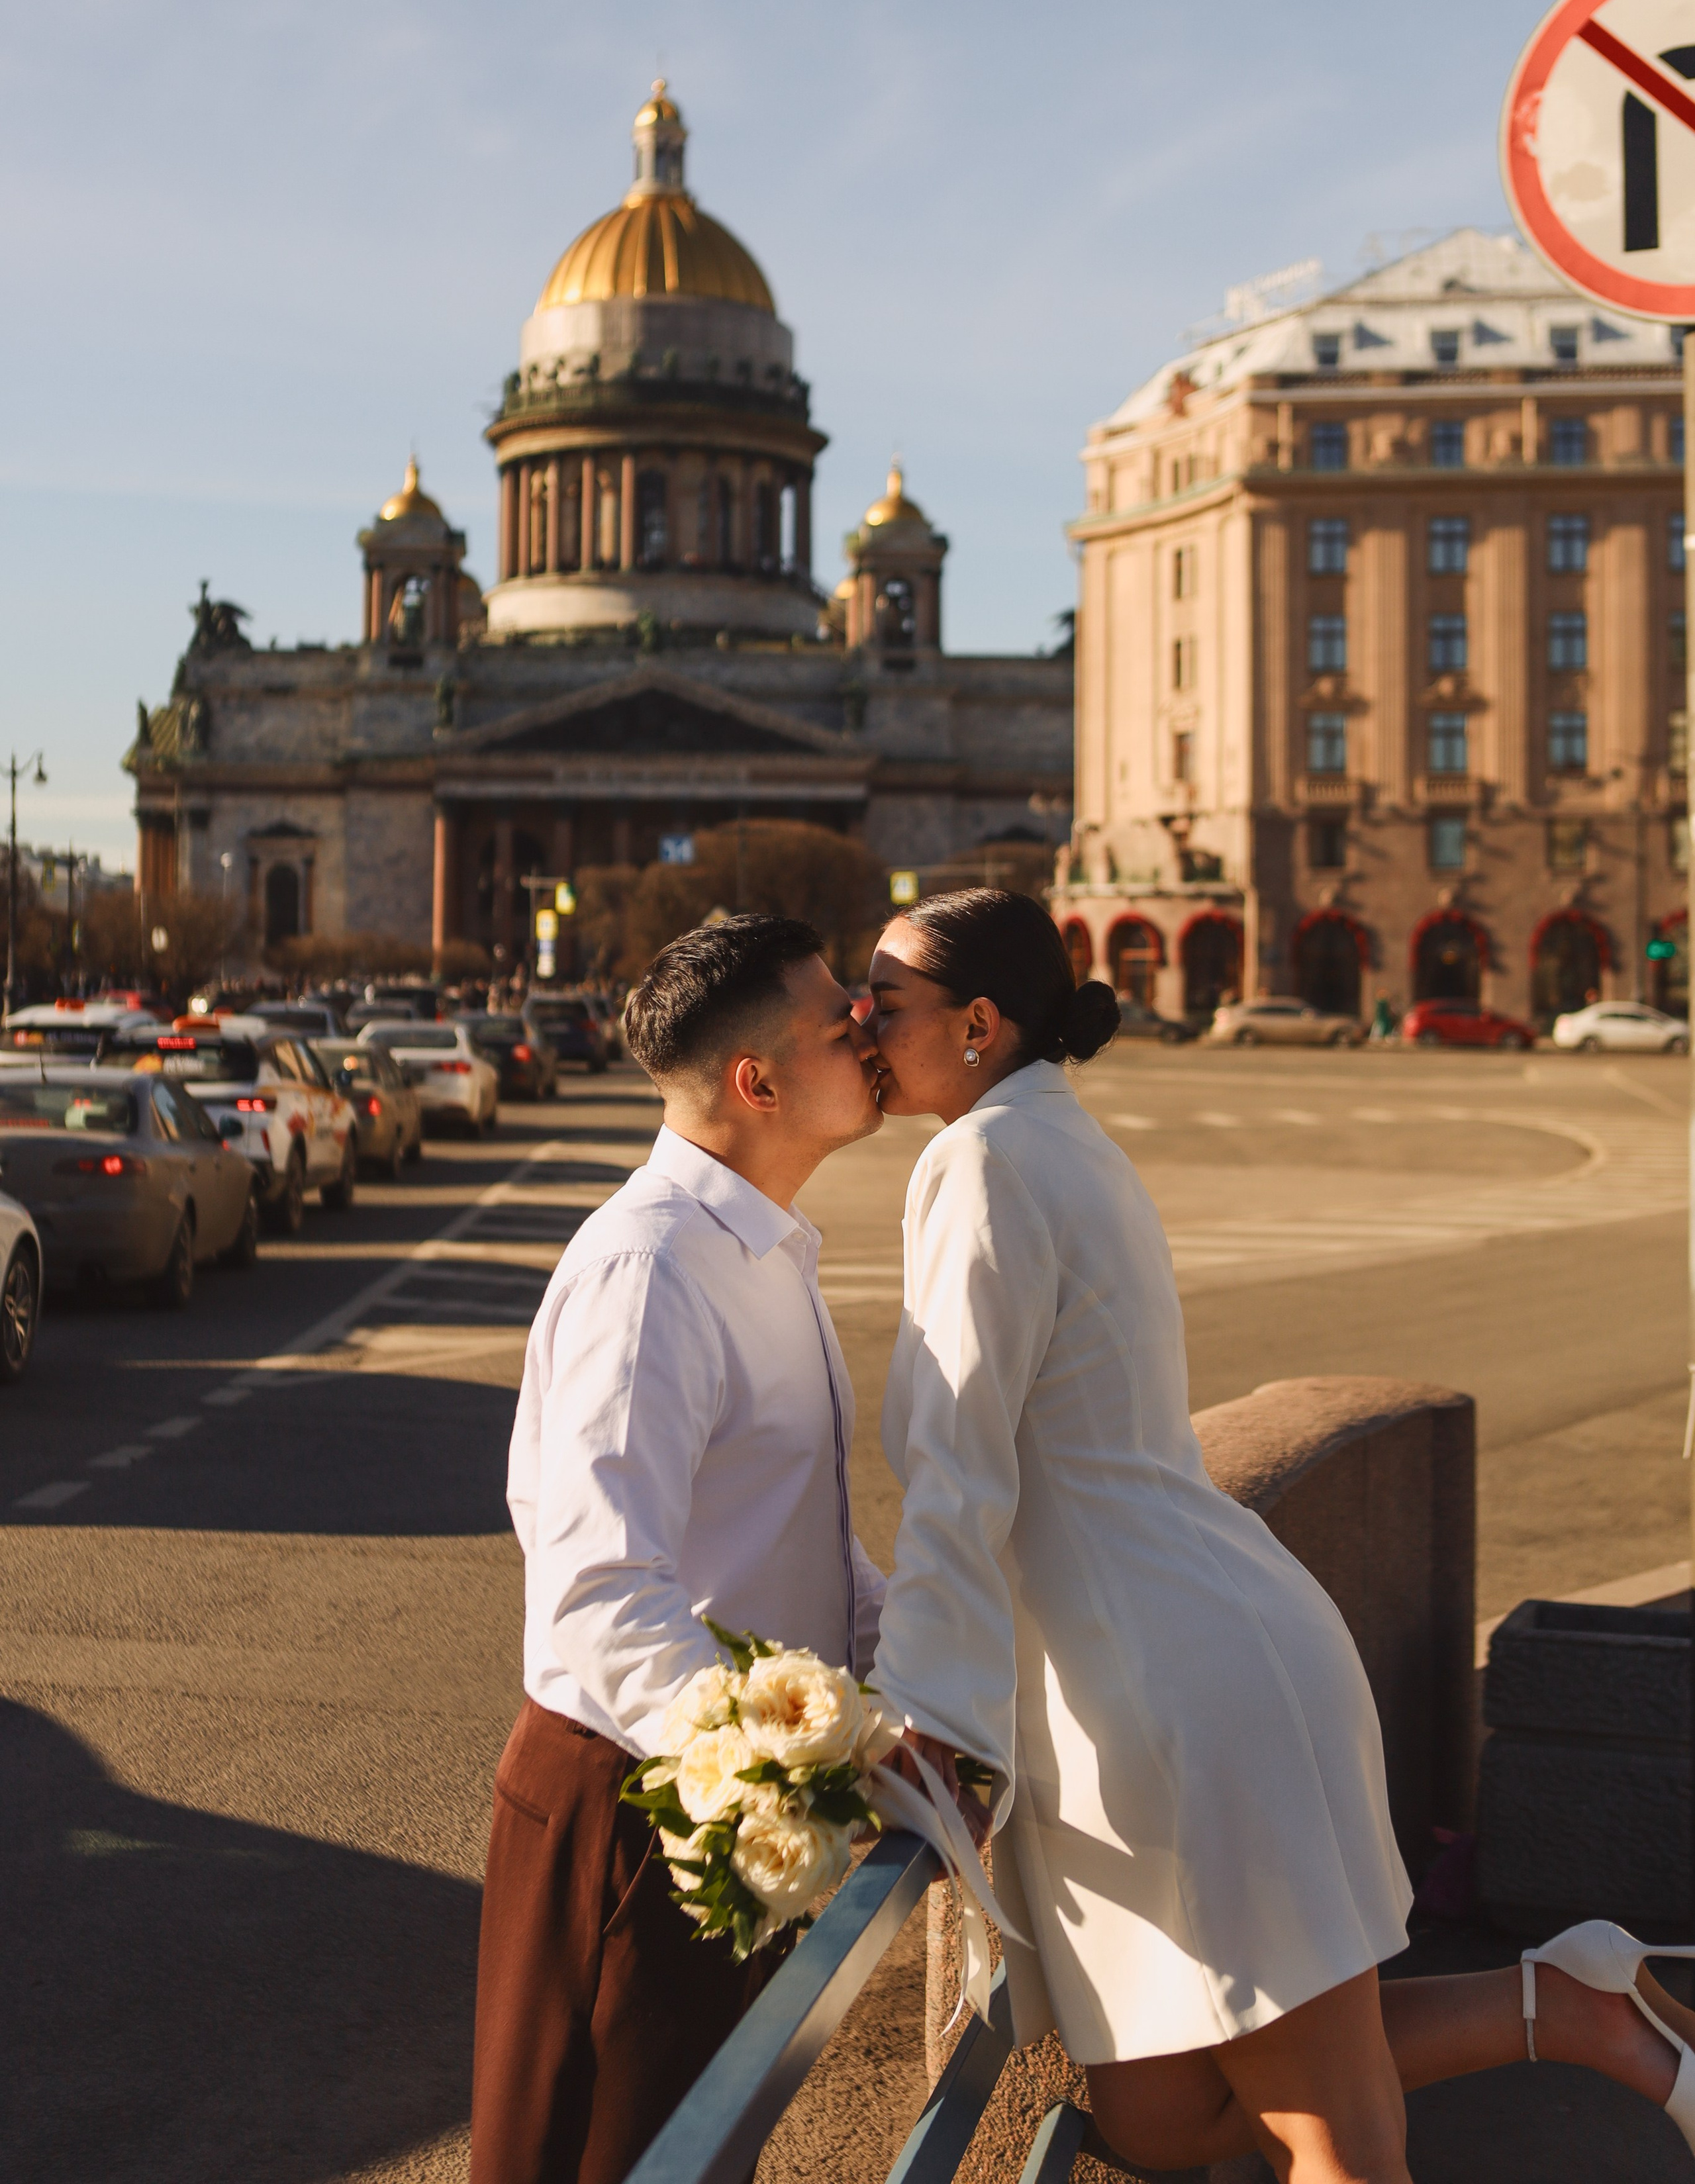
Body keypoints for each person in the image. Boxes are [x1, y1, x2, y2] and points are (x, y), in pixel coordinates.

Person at [866, 889, 1695, 2184]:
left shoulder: (981, 1164)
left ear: (976, 1023)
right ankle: (1569, 2006)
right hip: (1187, 1659)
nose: (859, 1020)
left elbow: (955, 1466)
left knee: (1332, 2140)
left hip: (1173, 1702)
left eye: (884, 998)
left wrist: (918, 1715)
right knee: (1158, 2120)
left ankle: (1584, 2018)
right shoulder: (1046, 1136)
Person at [471, 915, 886, 2184]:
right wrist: (804, 1761)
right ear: (757, 1082)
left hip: (718, 1794)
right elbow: (599, 1594)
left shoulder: (756, 1245)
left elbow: (803, 1541)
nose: (868, 1031)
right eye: (840, 1021)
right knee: (604, 2160)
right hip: (635, 1808)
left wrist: (915, 1675)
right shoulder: (653, 1267)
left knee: (697, 2160)